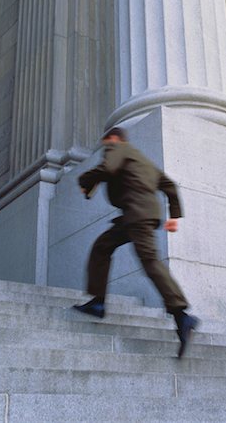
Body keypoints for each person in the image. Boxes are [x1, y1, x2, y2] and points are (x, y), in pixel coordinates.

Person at [73, 127, 199, 358]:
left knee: (150, 261)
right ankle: (97, 303)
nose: (105, 147)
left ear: (113, 138)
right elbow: (169, 185)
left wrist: (84, 179)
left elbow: (107, 168)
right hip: (138, 216)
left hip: (136, 215)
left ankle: (181, 314)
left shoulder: (118, 147)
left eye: (106, 142)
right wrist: (174, 216)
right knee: (103, 246)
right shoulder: (142, 160)